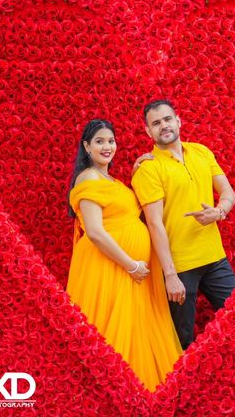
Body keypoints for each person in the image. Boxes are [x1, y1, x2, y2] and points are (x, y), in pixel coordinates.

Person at [66, 119, 181, 391]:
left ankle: (134, 393)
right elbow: (95, 232)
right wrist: (131, 265)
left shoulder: (113, 181)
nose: (107, 146)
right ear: (87, 147)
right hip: (110, 268)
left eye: (111, 141)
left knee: (131, 331)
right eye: (99, 142)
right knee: (111, 334)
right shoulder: (88, 178)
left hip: (130, 272)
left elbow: (117, 208)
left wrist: (135, 173)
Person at [131, 100, 235, 350]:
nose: (164, 125)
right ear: (148, 131)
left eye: (167, 119)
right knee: (182, 340)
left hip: (215, 258)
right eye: (156, 123)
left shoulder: (201, 152)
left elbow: (228, 193)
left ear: (178, 120)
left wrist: (219, 212)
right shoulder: (148, 169)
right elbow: (155, 224)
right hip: (179, 267)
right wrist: (170, 275)